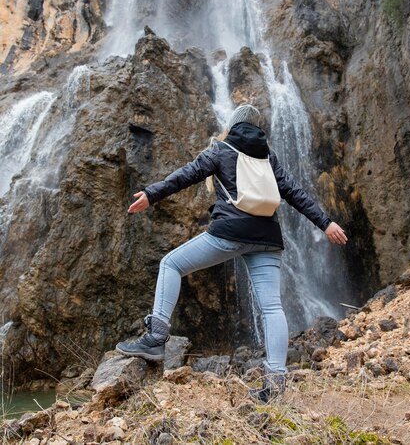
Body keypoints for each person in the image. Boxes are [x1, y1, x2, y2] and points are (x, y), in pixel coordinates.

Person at [116, 104, 347, 402]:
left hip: (231, 232)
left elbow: (188, 174)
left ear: (232, 126)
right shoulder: (269, 157)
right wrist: (325, 223)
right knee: (272, 308)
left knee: (171, 264)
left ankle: (156, 338)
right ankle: (275, 384)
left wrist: (151, 193)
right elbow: (295, 192)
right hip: (267, 238)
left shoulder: (221, 149)